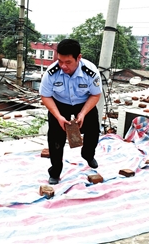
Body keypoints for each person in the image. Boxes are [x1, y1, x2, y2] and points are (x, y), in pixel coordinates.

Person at [39, 39, 102, 185]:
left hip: (84, 103)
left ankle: (87, 154)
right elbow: (45, 96)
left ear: (78, 58)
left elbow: (95, 94)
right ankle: (55, 171)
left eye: (68, 62)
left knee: (93, 132)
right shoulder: (51, 73)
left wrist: (83, 113)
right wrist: (58, 116)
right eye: (60, 61)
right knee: (55, 139)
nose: (63, 66)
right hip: (60, 104)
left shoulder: (91, 72)